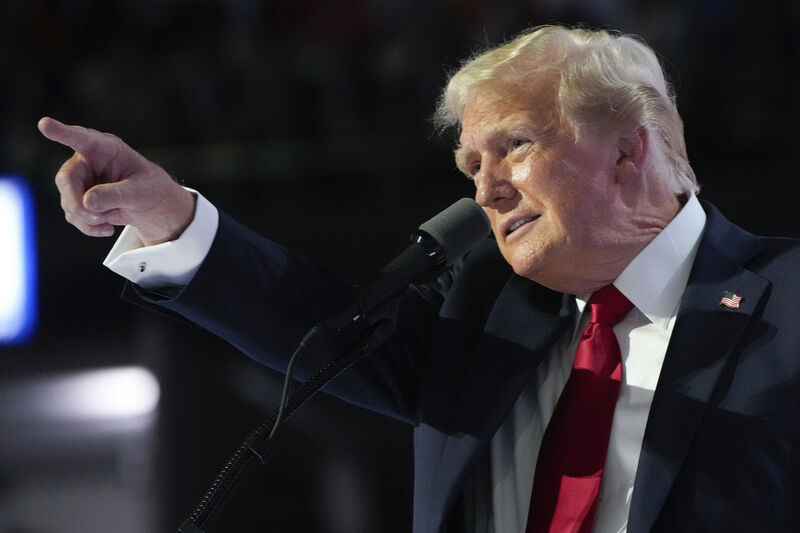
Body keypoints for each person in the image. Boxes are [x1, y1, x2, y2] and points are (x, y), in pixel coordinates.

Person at [39, 25, 799, 533]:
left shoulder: (787, 301)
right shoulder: (484, 313)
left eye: (515, 146)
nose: (486, 190)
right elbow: (314, 323)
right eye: (472, 165)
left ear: (628, 152)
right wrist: (168, 216)